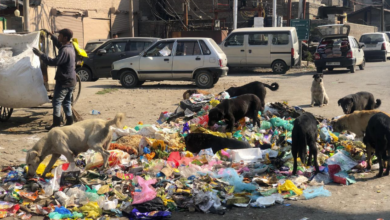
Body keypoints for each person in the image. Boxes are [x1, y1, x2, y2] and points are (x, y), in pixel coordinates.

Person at [32, 29, 76, 130]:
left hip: (64, 81)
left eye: (60, 35)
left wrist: (41, 55)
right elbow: (59, 45)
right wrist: (52, 37)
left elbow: (53, 62)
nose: (58, 36)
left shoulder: (65, 50)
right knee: (67, 102)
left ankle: (56, 124)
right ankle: (70, 122)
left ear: (65, 38)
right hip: (71, 80)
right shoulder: (70, 47)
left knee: (56, 101)